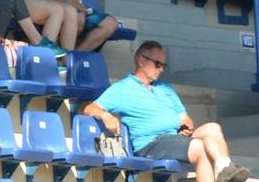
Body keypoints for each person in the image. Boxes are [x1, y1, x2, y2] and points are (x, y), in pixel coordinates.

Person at [83, 41, 250, 182]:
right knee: (201, 148)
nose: (161, 69)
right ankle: (226, 170)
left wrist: (187, 126)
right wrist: (105, 115)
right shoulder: (122, 88)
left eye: (164, 65)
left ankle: (225, 169)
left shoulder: (165, 88)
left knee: (213, 127)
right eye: (158, 64)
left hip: (175, 138)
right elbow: (90, 108)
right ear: (141, 60)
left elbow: (185, 118)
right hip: (151, 143)